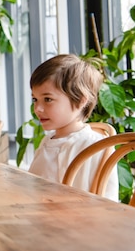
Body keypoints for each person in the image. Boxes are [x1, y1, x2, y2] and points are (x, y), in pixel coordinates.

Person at [28, 54, 118, 202]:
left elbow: (109, 201)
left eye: (48, 99)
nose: (37, 108)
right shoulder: (47, 141)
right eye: (35, 99)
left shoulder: (96, 146)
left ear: (81, 100)